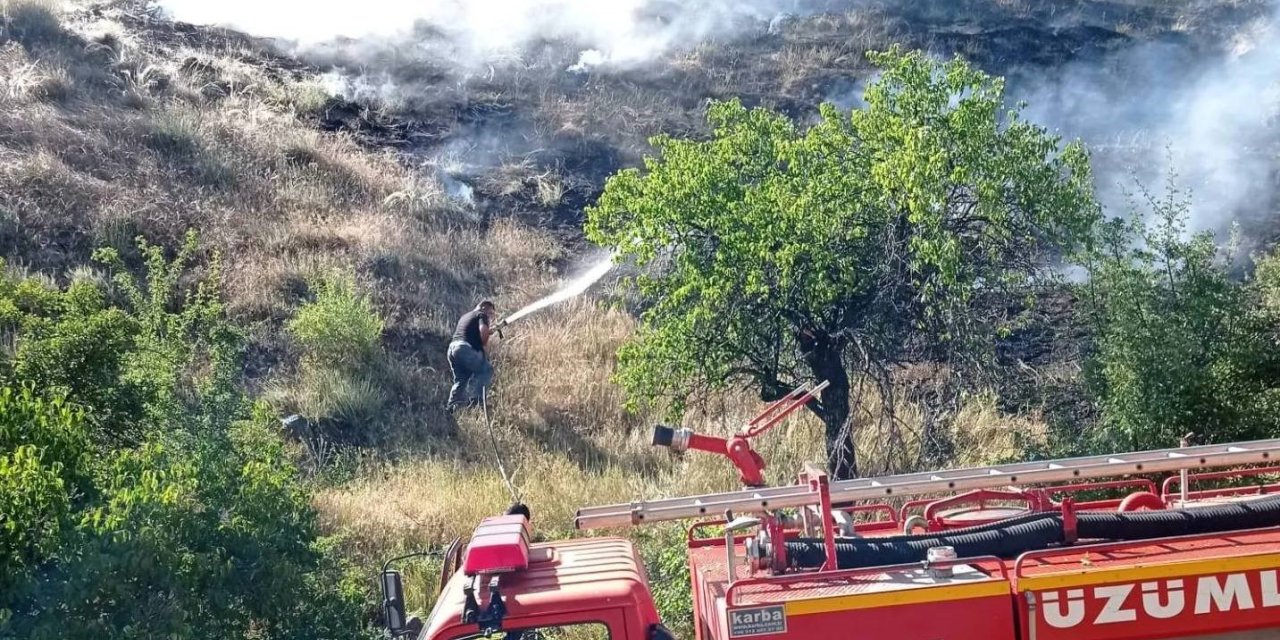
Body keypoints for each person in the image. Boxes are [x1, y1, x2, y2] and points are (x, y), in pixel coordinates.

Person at [447, 300, 498, 412]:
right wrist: (484, 340)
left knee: (461, 380)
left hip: (453, 349)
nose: (490, 317)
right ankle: (478, 402)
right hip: (464, 348)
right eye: (490, 313)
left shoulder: (466, 316)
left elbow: (470, 333)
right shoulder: (481, 314)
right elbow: (483, 331)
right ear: (484, 307)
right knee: (486, 369)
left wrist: (487, 332)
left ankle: (451, 407)